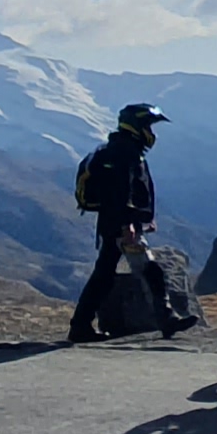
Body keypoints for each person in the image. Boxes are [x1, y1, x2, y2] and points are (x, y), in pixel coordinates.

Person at [67, 103, 165, 345]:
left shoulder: (125, 149)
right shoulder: (125, 153)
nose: (152, 132)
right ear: (138, 126)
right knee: (148, 269)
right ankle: (168, 318)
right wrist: (128, 224)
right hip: (121, 224)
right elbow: (121, 193)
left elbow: (133, 191)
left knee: (105, 273)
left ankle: (80, 325)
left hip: (118, 222)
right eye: (149, 126)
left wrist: (143, 218)